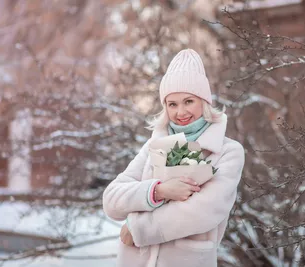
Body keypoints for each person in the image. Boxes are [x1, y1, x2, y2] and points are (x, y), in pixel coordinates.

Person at [103, 49, 245, 267]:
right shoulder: (153, 146)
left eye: (188, 101)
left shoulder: (227, 151)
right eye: (172, 104)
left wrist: (138, 228)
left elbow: (203, 211)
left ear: (203, 101)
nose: (181, 112)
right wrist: (158, 191)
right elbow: (112, 200)